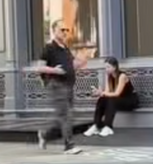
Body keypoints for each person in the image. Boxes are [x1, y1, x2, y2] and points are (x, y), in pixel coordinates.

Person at [37, 20, 87, 153]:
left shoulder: (65, 48)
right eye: (62, 30)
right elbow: (40, 67)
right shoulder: (49, 47)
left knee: (64, 116)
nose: (65, 32)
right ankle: (69, 145)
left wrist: (79, 63)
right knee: (65, 115)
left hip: (68, 84)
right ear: (54, 31)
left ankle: (45, 134)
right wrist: (54, 70)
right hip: (56, 85)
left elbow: (71, 66)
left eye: (66, 30)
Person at [84, 57, 138, 137]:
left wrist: (103, 93)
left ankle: (108, 127)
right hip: (117, 100)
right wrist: (99, 93)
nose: (106, 69)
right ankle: (96, 125)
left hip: (130, 100)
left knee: (112, 100)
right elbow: (107, 92)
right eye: (105, 67)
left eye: (108, 67)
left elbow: (117, 93)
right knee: (102, 99)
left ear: (115, 67)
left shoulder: (122, 76)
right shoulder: (109, 76)